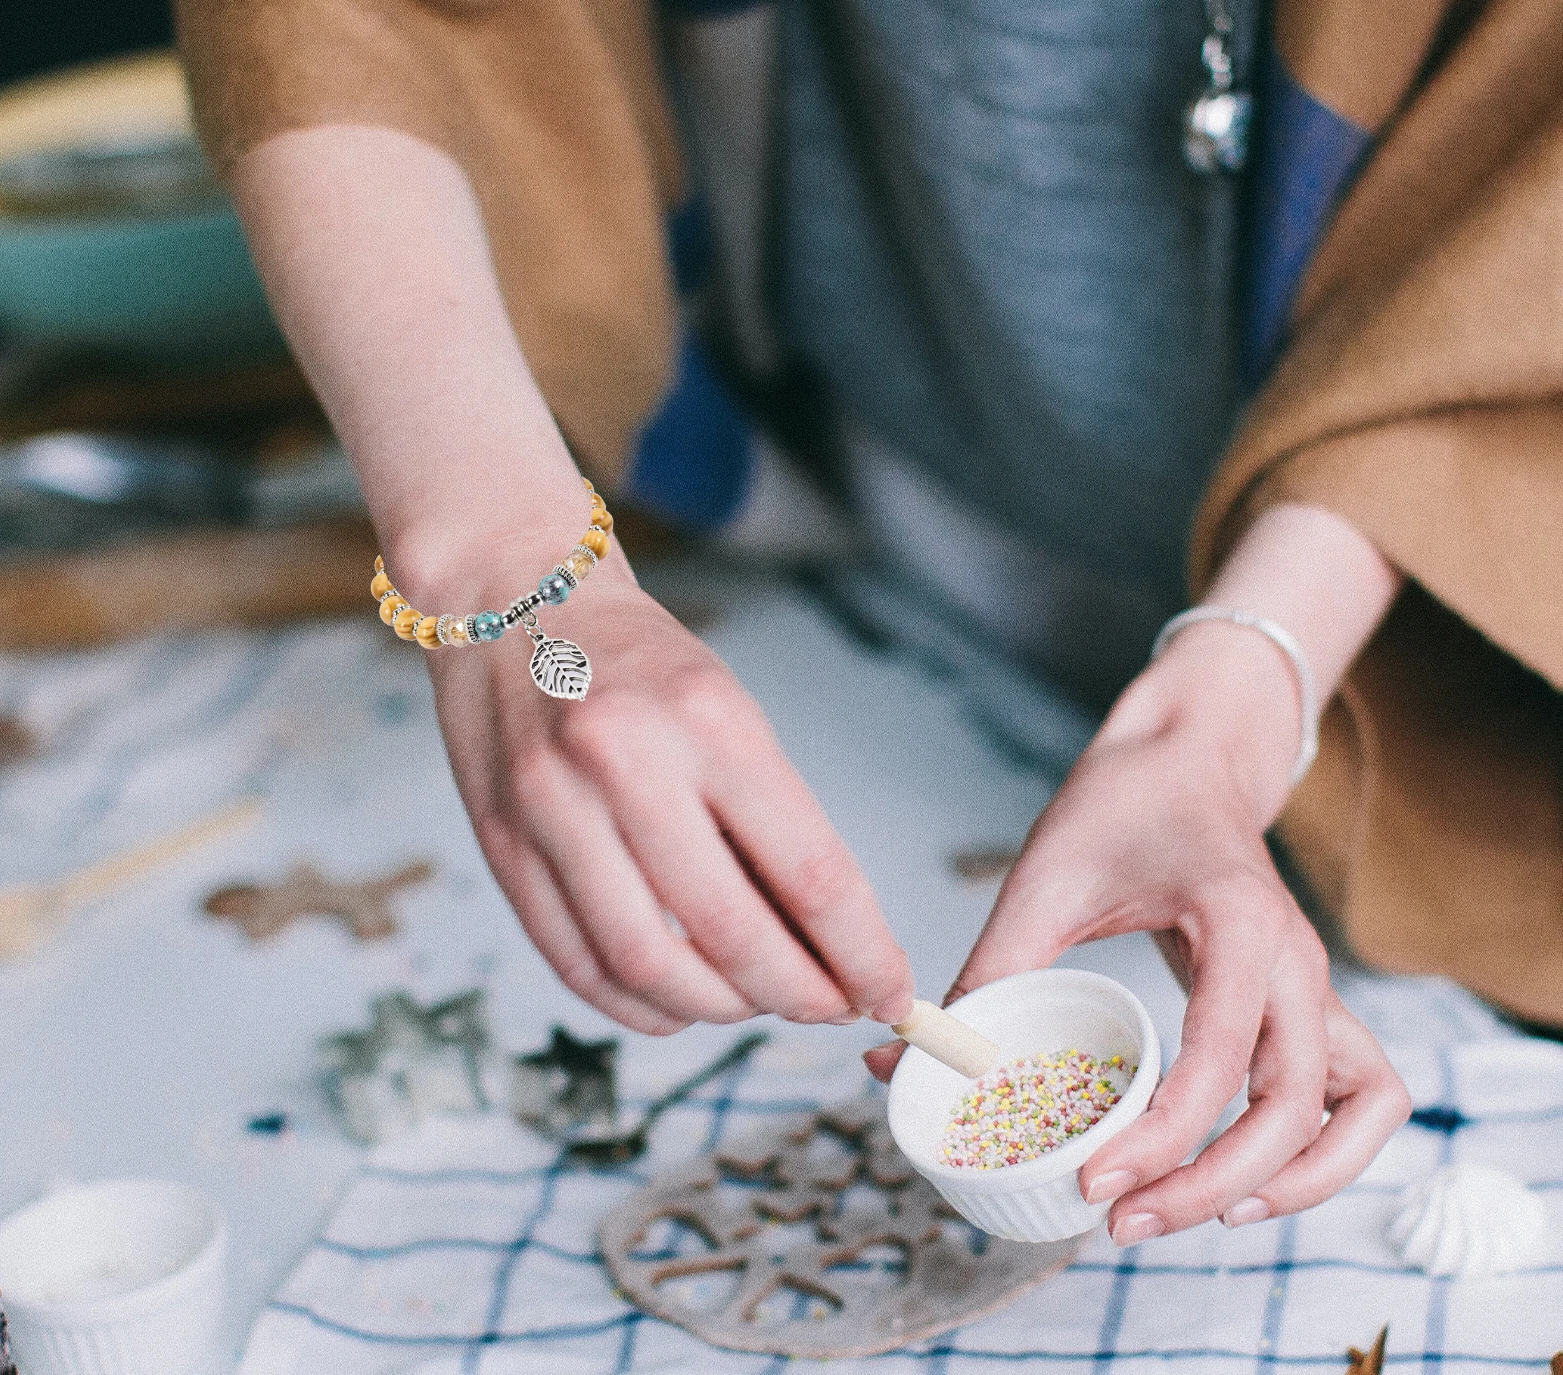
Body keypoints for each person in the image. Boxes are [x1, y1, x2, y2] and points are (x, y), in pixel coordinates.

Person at [174, 0, 1563, 1248]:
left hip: (1431, 620)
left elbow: (1525, 211)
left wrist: (1226, 709)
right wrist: (504, 558)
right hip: (859, 516)